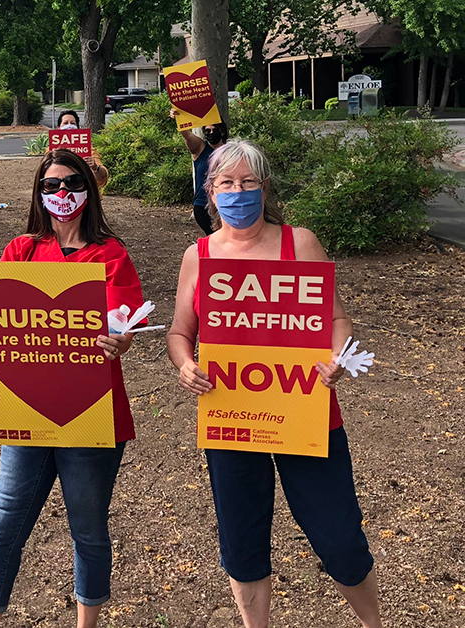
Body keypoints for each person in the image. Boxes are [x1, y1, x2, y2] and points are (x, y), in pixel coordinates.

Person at [165, 140, 381, 628]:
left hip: (306, 413)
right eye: (227, 183)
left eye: (248, 182)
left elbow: (336, 320)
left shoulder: (299, 243)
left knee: (340, 537)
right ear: (210, 193)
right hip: (231, 417)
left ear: (265, 189)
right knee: (242, 543)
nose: (238, 192)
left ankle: (374, 623)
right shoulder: (197, 256)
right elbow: (180, 333)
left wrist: (337, 358)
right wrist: (184, 365)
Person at [0, 149, 144, 628]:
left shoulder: (112, 255)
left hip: (91, 413)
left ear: (89, 190)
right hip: (27, 412)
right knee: (3, 529)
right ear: (38, 193)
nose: (61, 193)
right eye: (50, 185)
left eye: (71, 183)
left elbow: (123, 326)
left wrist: (118, 340)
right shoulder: (20, 249)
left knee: (87, 531)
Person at [171, 108, 227, 235]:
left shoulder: (230, 151)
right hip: (203, 205)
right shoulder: (200, 148)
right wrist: (179, 118)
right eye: (208, 130)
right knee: (214, 236)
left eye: (214, 130)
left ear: (222, 132)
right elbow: (185, 134)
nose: (211, 133)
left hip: (225, 203)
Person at [55, 109, 109, 188]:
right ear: (58, 128)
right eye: (66, 123)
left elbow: (102, 178)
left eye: (73, 123)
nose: (69, 126)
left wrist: (95, 167)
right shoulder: (52, 149)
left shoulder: (87, 149)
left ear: (77, 127)